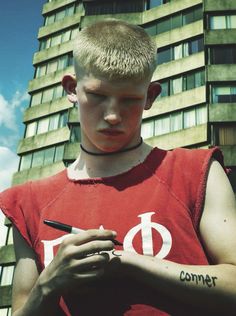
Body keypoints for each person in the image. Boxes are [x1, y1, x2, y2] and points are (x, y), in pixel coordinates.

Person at [0, 19, 236, 316]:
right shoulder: (26, 203)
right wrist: (49, 285)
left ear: (150, 96)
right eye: (98, 95)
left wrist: (130, 262)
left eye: (129, 100)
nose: (112, 115)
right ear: (72, 88)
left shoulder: (195, 171)